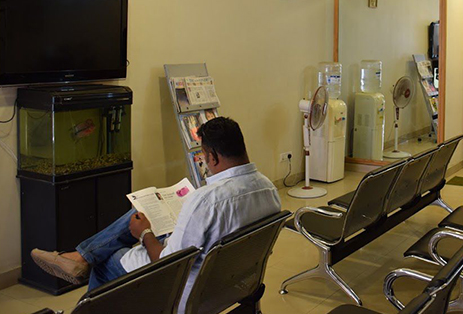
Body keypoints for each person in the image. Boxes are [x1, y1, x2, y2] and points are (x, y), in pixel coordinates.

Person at [30, 117, 281, 313]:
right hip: (234, 283)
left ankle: (83, 259)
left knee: (107, 261)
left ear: (212, 157)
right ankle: (81, 257)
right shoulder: (269, 190)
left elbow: (168, 263)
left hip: (190, 293)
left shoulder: (206, 200)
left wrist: (145, 234)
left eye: (204, 157)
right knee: (141, 213)